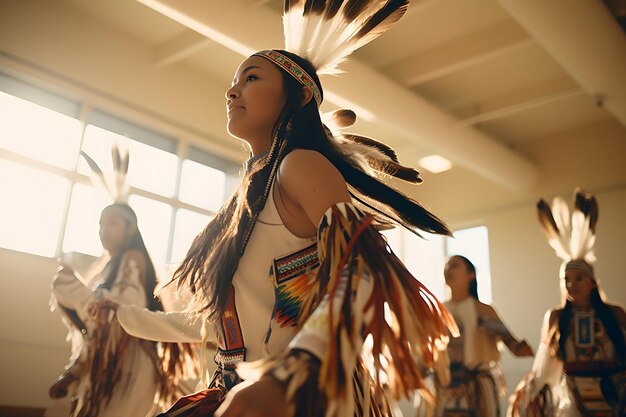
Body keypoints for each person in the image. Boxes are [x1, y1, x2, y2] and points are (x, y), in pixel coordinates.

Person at [106, 1, 460, 416]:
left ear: (301, 94)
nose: (231, 90)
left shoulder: (300, 165)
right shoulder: (246, 201)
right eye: (234, 80)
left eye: (251, 77)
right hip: (241, 390)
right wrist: (123, 316)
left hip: (300, 395)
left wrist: (291, 373)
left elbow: (358, 272)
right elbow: (221, 323)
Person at [49, 145, 196, 417]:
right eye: (101, 224)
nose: (104, 230)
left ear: (130, 228)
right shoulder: (114, 266)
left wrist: (75, 290)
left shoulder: (132, 259)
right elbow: (97, 332)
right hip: (114, 367)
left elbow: (122, 311)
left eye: (112, 223)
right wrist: (75, 371)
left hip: (128, 367)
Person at [508, 190, 626, 417]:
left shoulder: (614, 313)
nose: (572, 285)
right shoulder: (556, 317)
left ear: (592, 282)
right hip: (575, 401)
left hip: (616, 398)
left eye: (579, 279)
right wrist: (534, 392)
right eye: (567, 280)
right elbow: (546, 363)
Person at [429, 255, 533, 417]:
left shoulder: (484, 311)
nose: (448, 269)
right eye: (447, 265)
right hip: (444, 389)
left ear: (471, 275)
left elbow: (512, 344)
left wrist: (527, 350)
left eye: (454, 265)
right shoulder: (437, 311)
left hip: (477, 390)